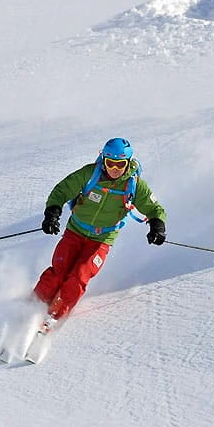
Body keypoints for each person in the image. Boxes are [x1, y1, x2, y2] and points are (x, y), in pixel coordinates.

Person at [33, 138, 166, 328]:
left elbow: (155, 209)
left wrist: (157, 226)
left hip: (101, 240)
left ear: (127, 163)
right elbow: (62, 191)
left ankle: (53, 317)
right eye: (110, 163)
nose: (114, 168)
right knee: (59, 271)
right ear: (103, 160)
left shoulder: (134, 185)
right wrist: (52, 213)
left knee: (79, 276)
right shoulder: (90, 174)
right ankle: (32, 305)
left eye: (119, 164)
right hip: (75, 231)